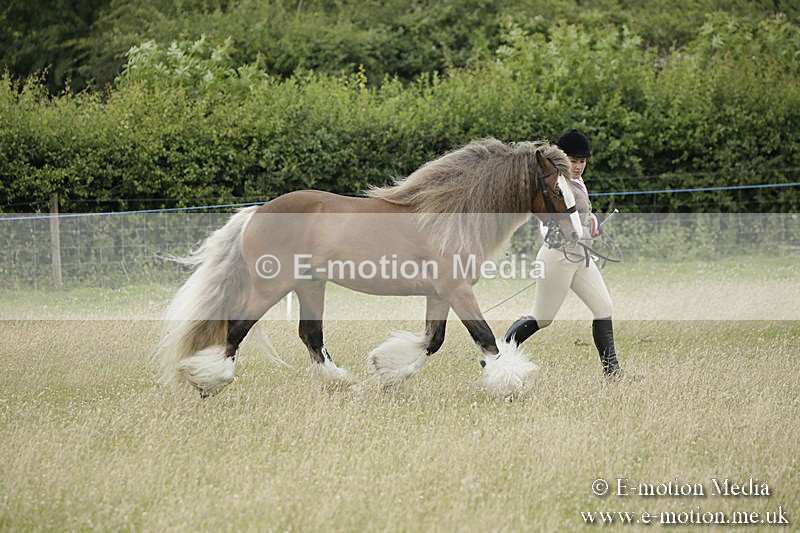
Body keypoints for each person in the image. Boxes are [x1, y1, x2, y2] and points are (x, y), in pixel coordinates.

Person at [504, 129, 628, 380]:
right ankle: (499, 353)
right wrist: (583, 231)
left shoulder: (577, 182)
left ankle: (612, 373)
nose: (579, 166)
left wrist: (591, 222)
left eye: (582, 161)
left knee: (603, 307)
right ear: (561, 160)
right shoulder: (555, 185)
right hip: (557, 257)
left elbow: (580, 214)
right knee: (543, 318)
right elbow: (547, 223)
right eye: (573, 161)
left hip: (579, 257)